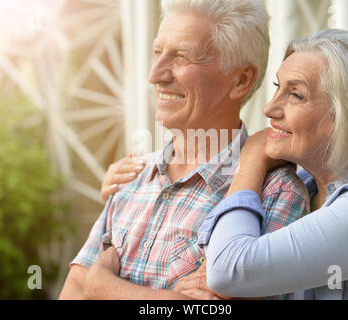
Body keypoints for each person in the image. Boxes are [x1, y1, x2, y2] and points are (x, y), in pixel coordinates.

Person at [59, 0, 309, 300]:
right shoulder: (130, 178)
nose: (155, 74)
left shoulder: (277, 194)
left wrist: (103, 286)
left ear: (241, 80)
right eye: (157, 52)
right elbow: (73, 292)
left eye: (181, 56)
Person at [181, 29, 348, 299]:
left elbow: (229, 271)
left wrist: (251, 162)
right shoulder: (297, 190)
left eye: (296, 95)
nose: (269, 109)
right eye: (279, 88)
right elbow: (220, 279)